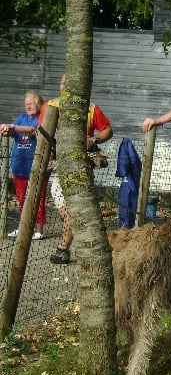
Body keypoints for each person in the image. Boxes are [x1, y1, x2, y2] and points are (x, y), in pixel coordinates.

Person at [39, 74, 113, 264]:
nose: (65, 86)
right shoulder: (50, 107)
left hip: (82, 169)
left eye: (69, 83)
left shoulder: (90, 109)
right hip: (57, 169)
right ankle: (93, 243)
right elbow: (41, 134)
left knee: (74, 211)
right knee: (69, 212)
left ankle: (63, 249)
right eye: (63, 83)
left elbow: (107, 130)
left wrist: (94, 139)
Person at [0, 91, 48, 240]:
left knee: (37, 199)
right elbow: (12, 132)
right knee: (22, 199)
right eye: (26, 103)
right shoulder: (21, 118)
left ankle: (39, 230)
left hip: (37, 168)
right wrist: (5, 130)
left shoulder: (42, 118)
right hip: (19, 167)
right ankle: (23, 228)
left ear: (38, 103)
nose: (28, 106)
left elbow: (33, 130)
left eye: (31, 103)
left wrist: (12, 127)